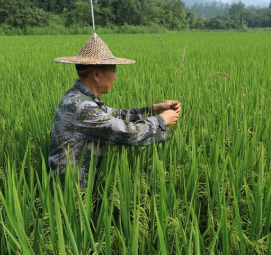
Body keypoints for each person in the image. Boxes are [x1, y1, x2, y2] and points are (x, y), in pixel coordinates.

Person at [48, 33, 181, 187]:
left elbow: (117, 115)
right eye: (113, 71)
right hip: (70, 191)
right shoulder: (82, 106)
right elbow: (128, 133)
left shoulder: (79, 97)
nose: (115, 77)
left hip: (75, 184)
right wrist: (161, 120)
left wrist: (155, 108)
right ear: (97, 74)